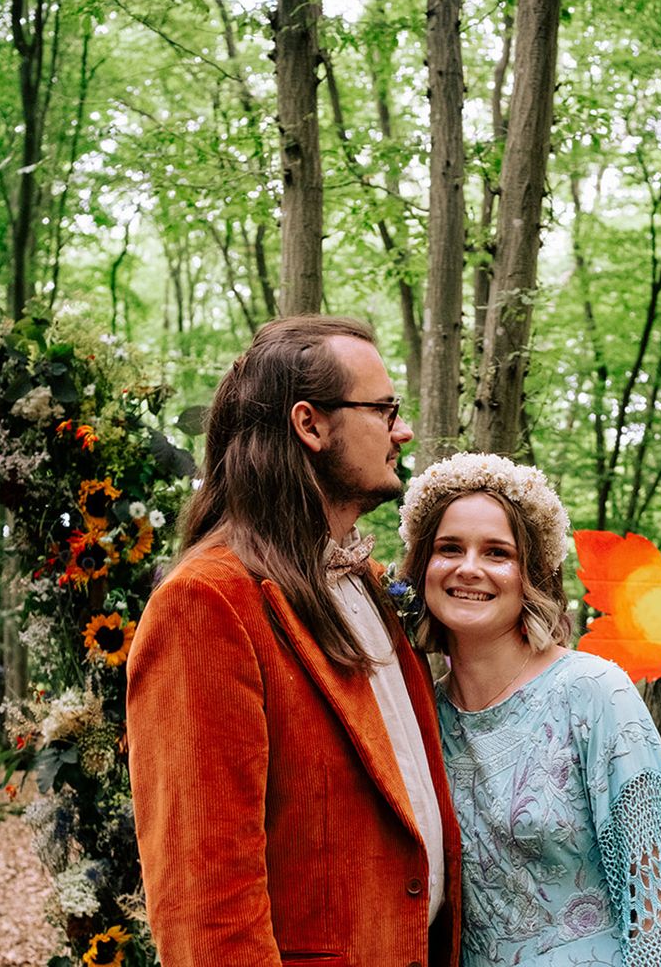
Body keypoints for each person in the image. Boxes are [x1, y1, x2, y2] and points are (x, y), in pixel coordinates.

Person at [127, 316, 461, 967]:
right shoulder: (209, 604)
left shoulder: (366, 581)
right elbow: (208, 915)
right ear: (310, 425)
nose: (404, 430)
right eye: (385, 409)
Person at [398, 452, 661, 967]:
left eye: (497, 553)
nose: (468, 568)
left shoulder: (595, 692)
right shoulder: (419, 715)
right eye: (450, 548)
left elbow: (658, 911)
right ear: (423, 564)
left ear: (530, 576)